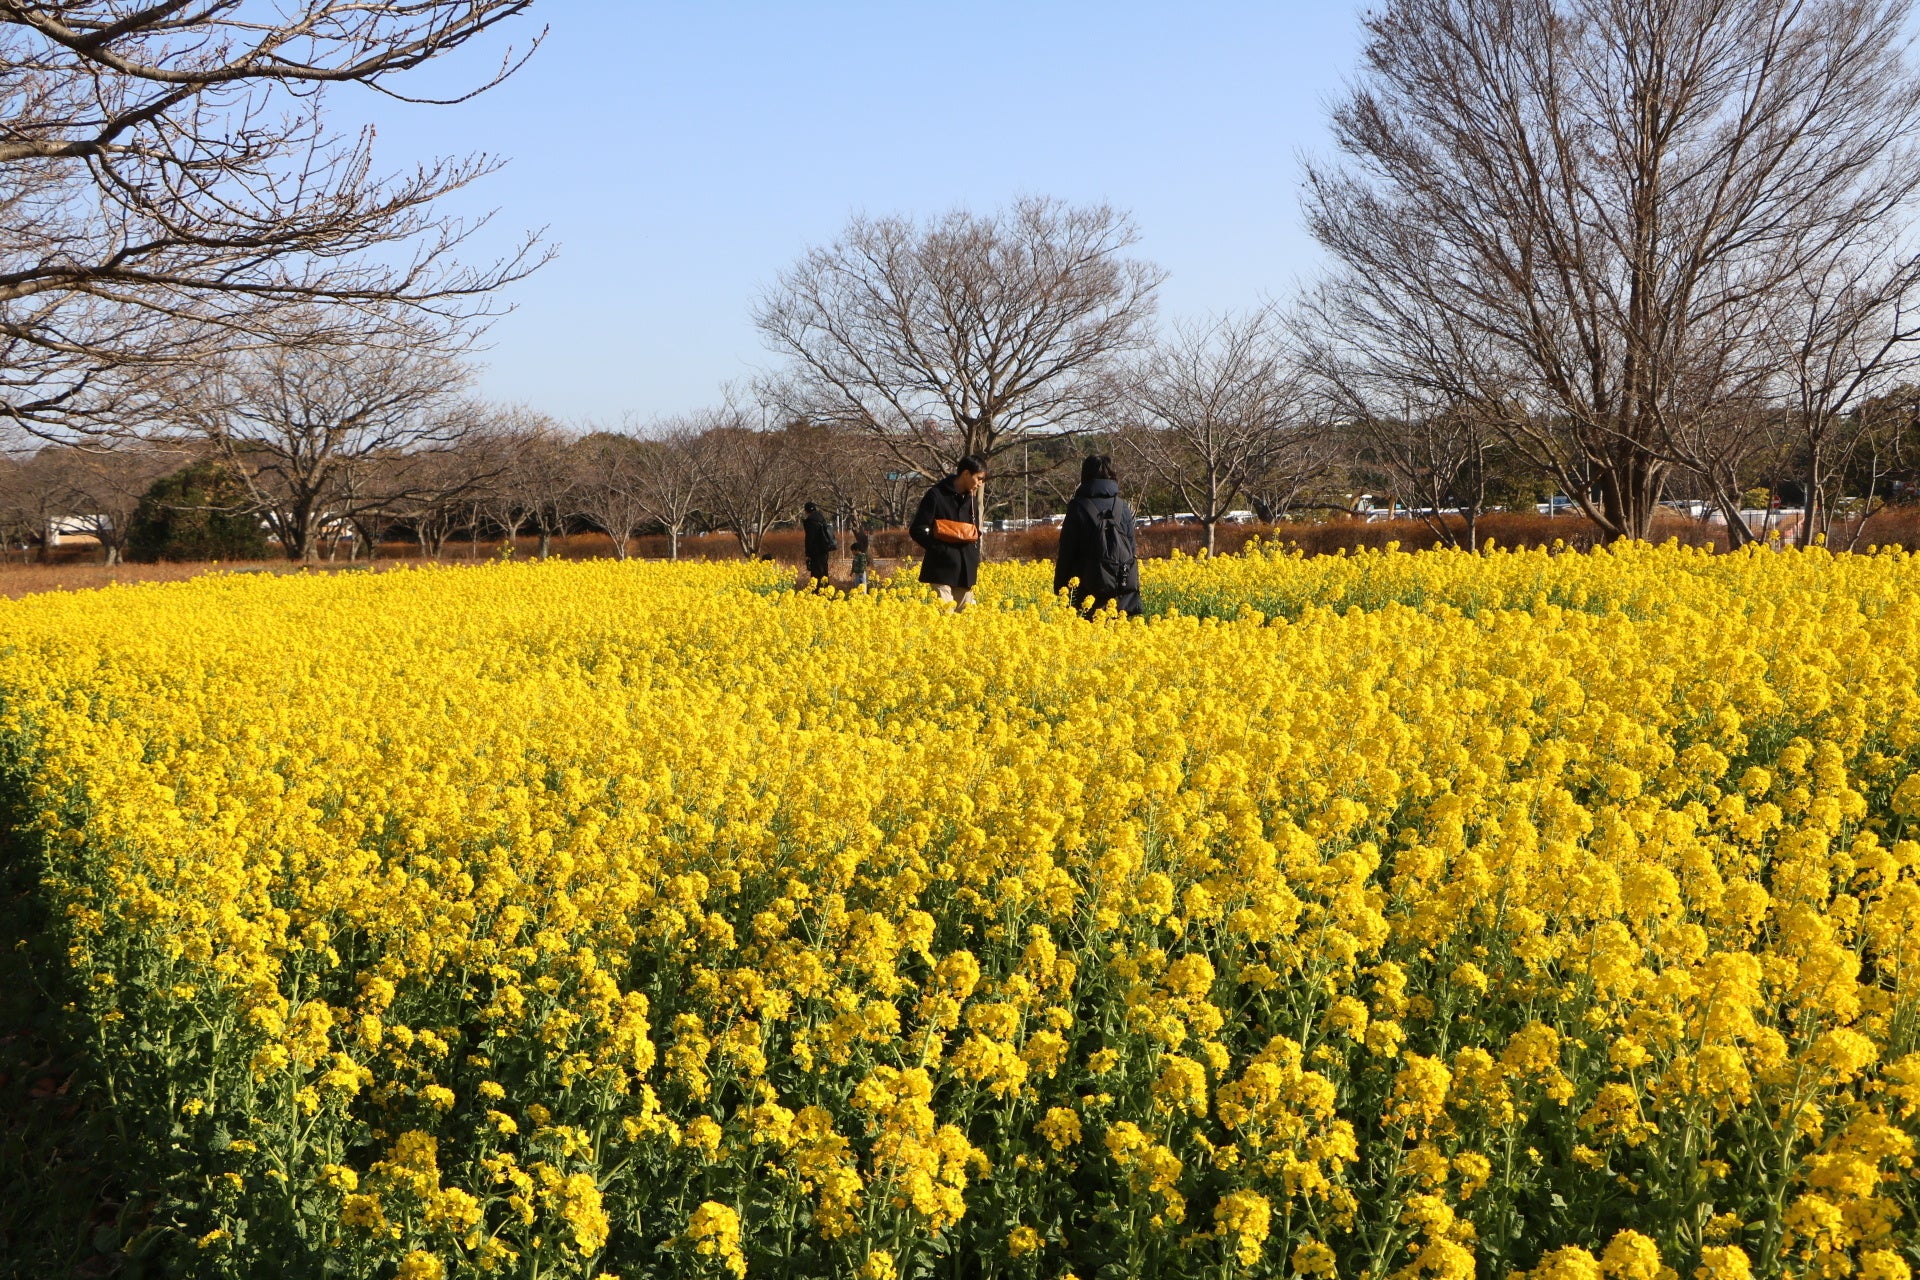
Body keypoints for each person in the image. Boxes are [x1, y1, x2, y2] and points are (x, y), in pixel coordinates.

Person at [1054, 454, 1142, 617]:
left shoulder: (1078, 507)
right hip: (1119, 591)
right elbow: (1131, 548)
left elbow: (1067, 552)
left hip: (1085, 590)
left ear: (1084, 475)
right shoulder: (1122, 506)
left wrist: (1061, 589)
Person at [909, 456, 986, 608]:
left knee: (965, 619)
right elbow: (917, 529)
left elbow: (974, 532)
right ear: (966, 474)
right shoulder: (936, 495)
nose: (980, 484)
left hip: (965, 573)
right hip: (941, 569)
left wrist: (974, 558)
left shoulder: (971, 500)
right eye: (979, 478)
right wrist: (940, 550)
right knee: (945, 615)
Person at [801, 501, 836, 585]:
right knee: (824, 571)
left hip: (815, 551)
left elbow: (809, 539)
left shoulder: (810, 521)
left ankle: (817, 590)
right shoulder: (821, 518)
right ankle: (826, 589)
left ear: (806, 511)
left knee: (816, 573)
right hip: (825, 549)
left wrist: (808, 554)